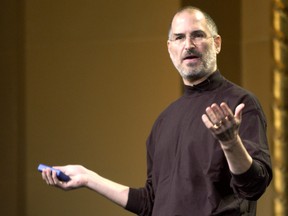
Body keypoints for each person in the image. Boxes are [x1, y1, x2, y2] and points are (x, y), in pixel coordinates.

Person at [40, 6, 272, 216]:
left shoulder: (240, 103)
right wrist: (88, 178)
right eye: (179, 37)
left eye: (198, 35)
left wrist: (230, 143)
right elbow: (151, 203)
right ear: (170, 49)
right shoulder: (164, 121)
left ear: (217, 43)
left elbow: (254, 186)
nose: (188, 44)